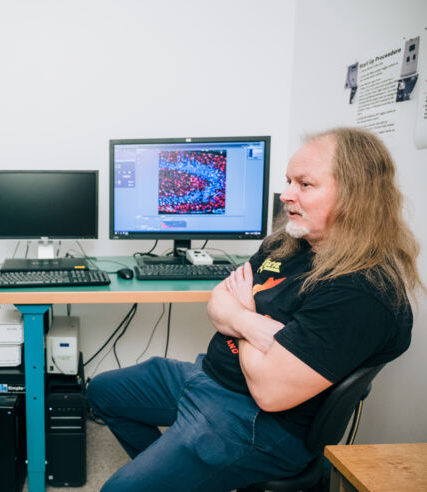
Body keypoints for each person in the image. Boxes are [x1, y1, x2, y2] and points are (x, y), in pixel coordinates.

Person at [87, 127, 422, 491]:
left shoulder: (361, 290)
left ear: (356, 197)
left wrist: (241, 314)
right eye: (288, 181)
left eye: (305, 185)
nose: (286, 195)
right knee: (103, 391)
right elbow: (220, 299)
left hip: (255, 421)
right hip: (211, 376)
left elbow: (269, 392)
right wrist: (247, 320)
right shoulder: (290, 242)